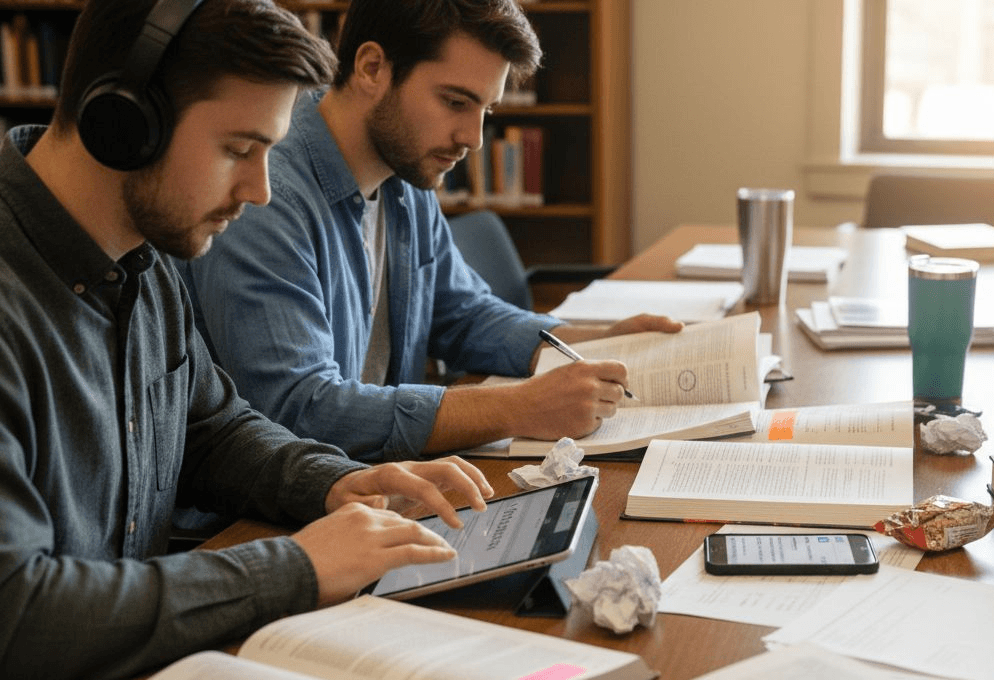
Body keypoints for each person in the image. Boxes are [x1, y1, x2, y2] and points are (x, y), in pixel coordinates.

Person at [0, 0, 496, 680]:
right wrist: (294, 567)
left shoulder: (143, 259)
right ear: (123, 122)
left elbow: (212, 429)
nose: (260, 191)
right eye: (238, 149)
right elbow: (16, 615)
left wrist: (331, 483)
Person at [176, 0, 683, 463]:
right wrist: (514, 408)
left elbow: (462, 314)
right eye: (455, 102)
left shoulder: (406, 170)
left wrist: (587, 343)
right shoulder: (267, 194)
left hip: (377, 483)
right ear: (372, 68)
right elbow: (299, 409)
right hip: (268, 518)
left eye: (486, 110)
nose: (473, 139)